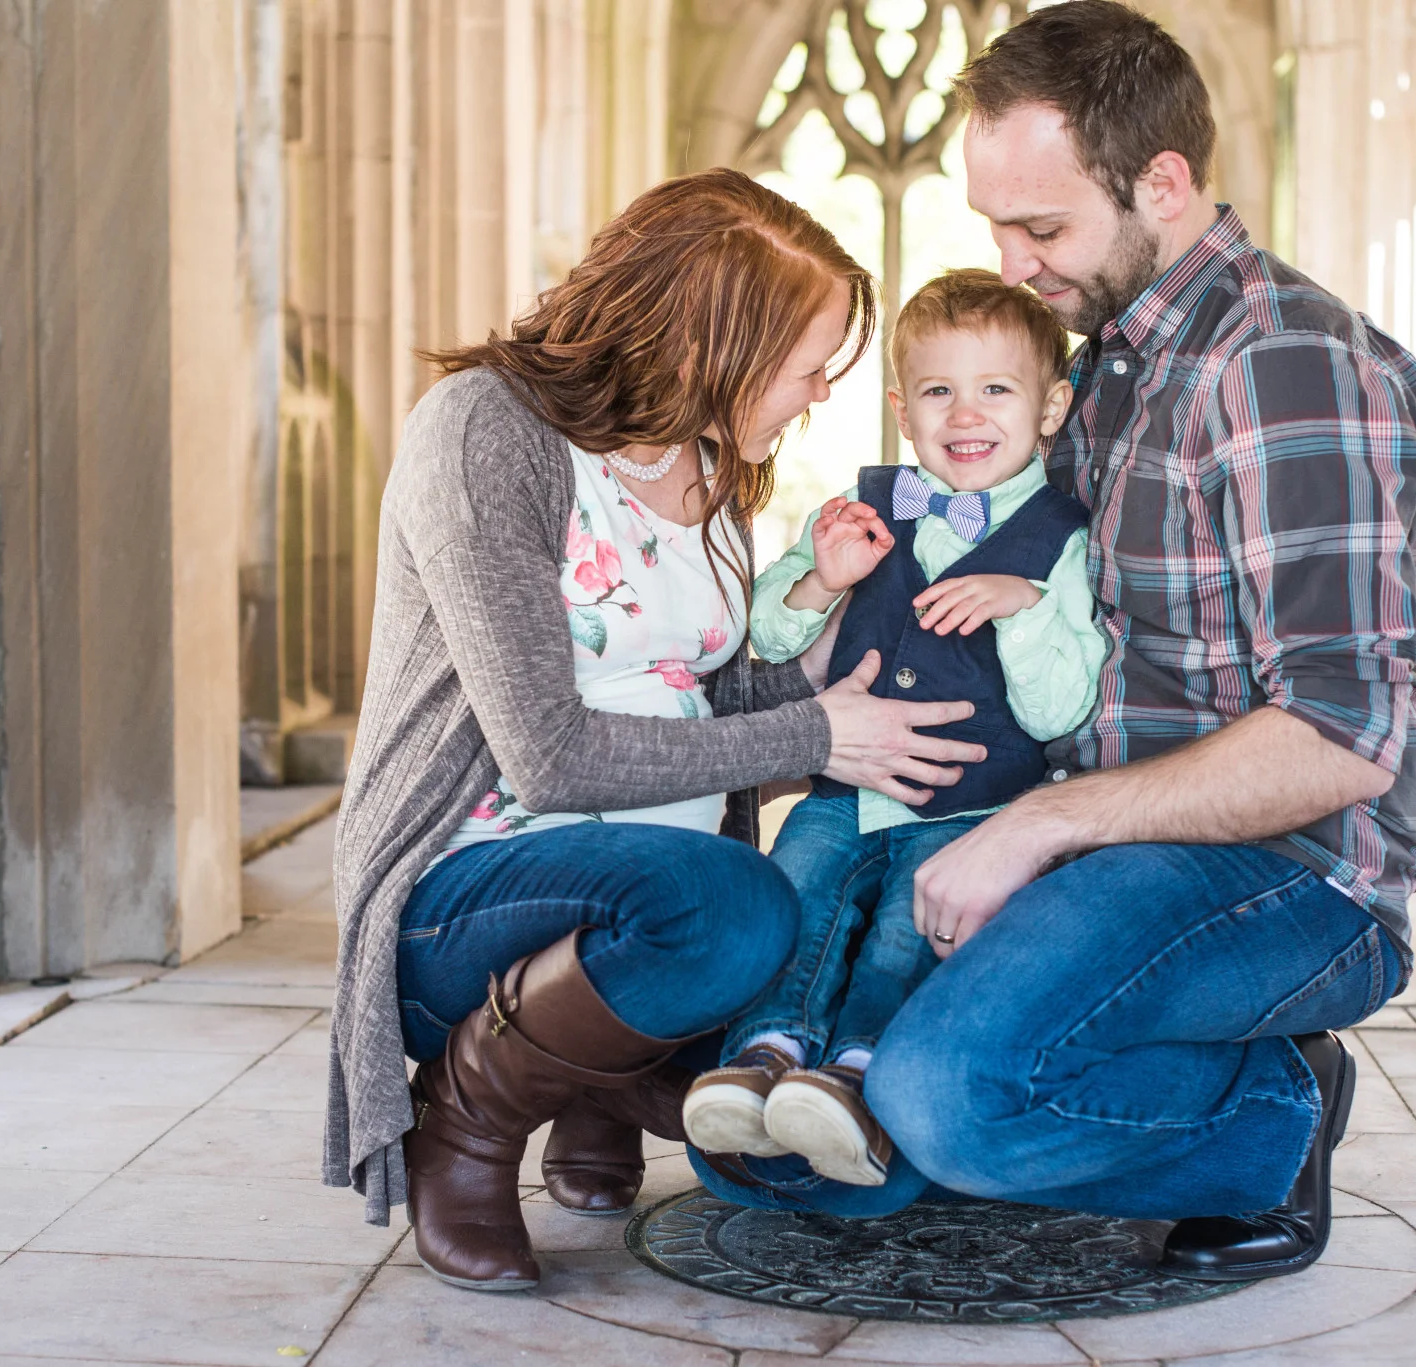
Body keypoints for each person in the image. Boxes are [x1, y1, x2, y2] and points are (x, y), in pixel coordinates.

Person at [692, 0, 1416, 1285]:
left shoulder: (1284, 367)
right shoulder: (1100, 367)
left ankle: (1276, 1114)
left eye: (1042, 227)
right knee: (786, 1142)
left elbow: (1344, 735)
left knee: (940, 1103)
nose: (1018, 261)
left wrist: (1040, 825)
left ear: (1163, 181)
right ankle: (1078, 1063)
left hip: (1279, 870)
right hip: (1091, 841)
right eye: (996, 225)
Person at [322, 168, 993, 1291]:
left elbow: (701, 696)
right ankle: (470, 1118)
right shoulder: (483, 431)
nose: (818, 393)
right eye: (804, 364)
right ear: (708, 338)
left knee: (831, 1161)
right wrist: (817, 738)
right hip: (465, 894)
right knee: (739, 904)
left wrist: (837, 664)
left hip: (655, 913)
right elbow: (551, 751)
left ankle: (585, 1074)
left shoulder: (708, 460)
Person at [682, 269, 1106, 1187]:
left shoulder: (1062, 539)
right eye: (938, 389)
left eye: (997, 388)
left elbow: (1061, 706)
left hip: (968, 810)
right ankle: (760, 1059)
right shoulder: (867, 507)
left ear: (1050, 406)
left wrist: (1022, 606)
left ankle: (854, 1081)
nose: (967, 412)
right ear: (901, 410)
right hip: (842, 790)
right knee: (795, 900)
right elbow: (765, 632)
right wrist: (821, 579)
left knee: (904, 937)